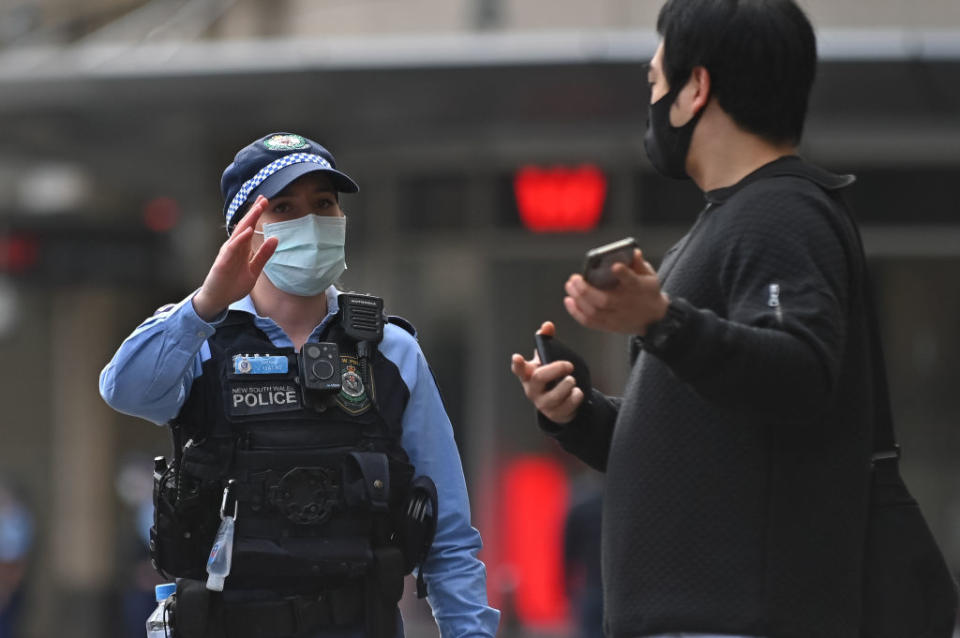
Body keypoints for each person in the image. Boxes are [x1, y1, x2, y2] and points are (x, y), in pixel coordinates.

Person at [511, 1, 884, 636]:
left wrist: (660, 322)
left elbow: (799, 374)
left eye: (655, 81)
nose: (652, 101)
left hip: (738, 620)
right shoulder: (731, 220)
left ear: (696, 88)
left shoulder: (780, 213)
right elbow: (690, 440)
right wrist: (578, 414)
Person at [100, 132, 500, 638]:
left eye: (323, 203)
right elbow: (123, 391)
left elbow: (447, 536)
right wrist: (205, 304)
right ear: (243, 232)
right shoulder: (199, 337)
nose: (309, 221)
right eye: (284, 207)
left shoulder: (390, 351)